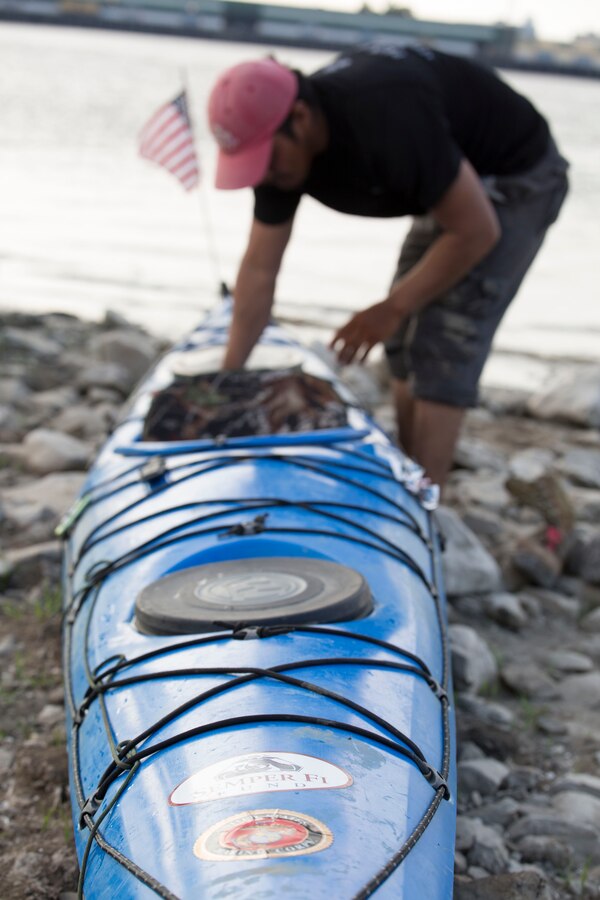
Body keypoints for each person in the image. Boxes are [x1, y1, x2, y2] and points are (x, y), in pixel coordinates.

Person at [206, 46, 569, 487]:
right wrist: (226, 381)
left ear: (300, 118)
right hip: (447, 180)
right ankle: (411, 469)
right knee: (399, 339)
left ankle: (426, 500)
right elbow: (259, 271)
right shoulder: (281, 162)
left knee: (443, 336)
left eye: (266, 161)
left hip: (517, 176)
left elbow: (476, 231)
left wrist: (392, 306)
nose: (262, 176)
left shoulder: (382, 118)